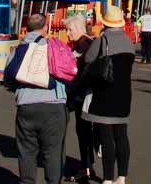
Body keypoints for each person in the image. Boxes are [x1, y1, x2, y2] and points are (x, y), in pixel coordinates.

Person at [5, 13, 67, 184]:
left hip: (26, 105)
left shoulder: (17, 50)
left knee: (26, 151)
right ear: (45, 28)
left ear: (28, 28)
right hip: (53, 105)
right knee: (52, 151)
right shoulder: (54, 47)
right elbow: (66, 73)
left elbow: (8, 78)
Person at [81, 5, 133, 184]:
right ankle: (122, 176)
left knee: (106, 137)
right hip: (124, 94)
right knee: (121, 135)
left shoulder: (103, 40)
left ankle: (108, 177)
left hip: (104, 93)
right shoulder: (128, 41)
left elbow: (88, 59)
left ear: (106, 23)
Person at [65, 14, 97, 184]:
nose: (67, 33)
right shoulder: (90, 42)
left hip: (82, 96)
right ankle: (87, 165)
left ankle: (86, 167)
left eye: (69, 30)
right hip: (88, 94)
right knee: (85, 131)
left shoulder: (82, 46)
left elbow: (78, 73)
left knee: (83, 132)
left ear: (77, 29)